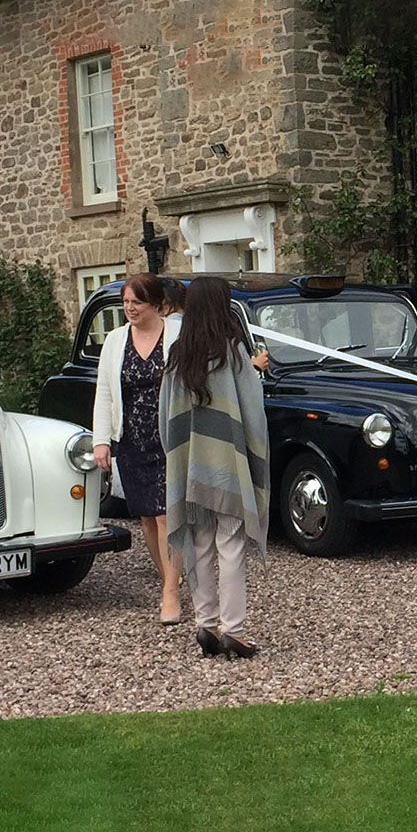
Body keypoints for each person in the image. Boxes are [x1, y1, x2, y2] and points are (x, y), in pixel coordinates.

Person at [159, 276, 270, 659]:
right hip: (228, 467)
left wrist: (177, 458)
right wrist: (256, 457)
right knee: (232, 544)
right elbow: (253, 414)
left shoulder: (177, 355)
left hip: (189, 467)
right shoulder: (234, 354)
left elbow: (164, 420)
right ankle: (233, 631)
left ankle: (205, 625)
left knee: (200, 544)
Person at [93, 273, 183, 624]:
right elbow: (103, 392)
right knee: (147, 516)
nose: (129, 308)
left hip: (169, 437)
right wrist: (102, 440)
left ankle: (171, 592)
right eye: (126, 302)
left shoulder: (176, 335)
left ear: (156, 305)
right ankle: (168, 579)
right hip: (131, 439)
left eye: (137, 303)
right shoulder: (115, 341)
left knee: (167, 515)